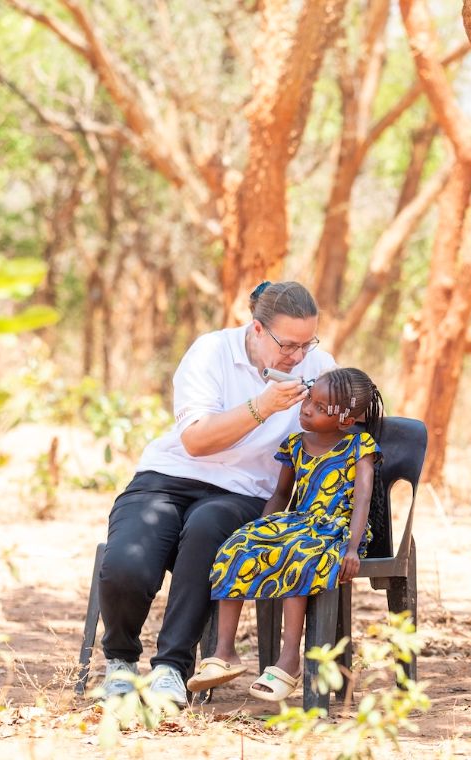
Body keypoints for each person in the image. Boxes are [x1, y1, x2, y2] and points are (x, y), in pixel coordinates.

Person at [98, 281, 337, 707]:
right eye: (288, 345)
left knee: (207, 530)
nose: (299, 356)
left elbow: (335, 431)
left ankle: (171, 668)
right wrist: (262, 407)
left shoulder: (318, 364)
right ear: (258, 330)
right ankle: (119, 662)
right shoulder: (211, 352)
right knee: (125, 565)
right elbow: (196, 442)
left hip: (243, 491)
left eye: (308, 343)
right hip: (167, 476)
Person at [184, 368, 383, 701]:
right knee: (237, 546)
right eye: (309, 400)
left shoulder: (359, 445)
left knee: (298, 555)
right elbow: (280, 495)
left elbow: (363, 499)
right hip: (297, 523)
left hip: (336, 530)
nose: (307, 409)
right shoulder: (295, 444)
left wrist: (351, 548)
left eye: (320, 408)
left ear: (346, 421)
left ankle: (289, 660)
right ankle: (223, 652)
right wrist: (261, 528)